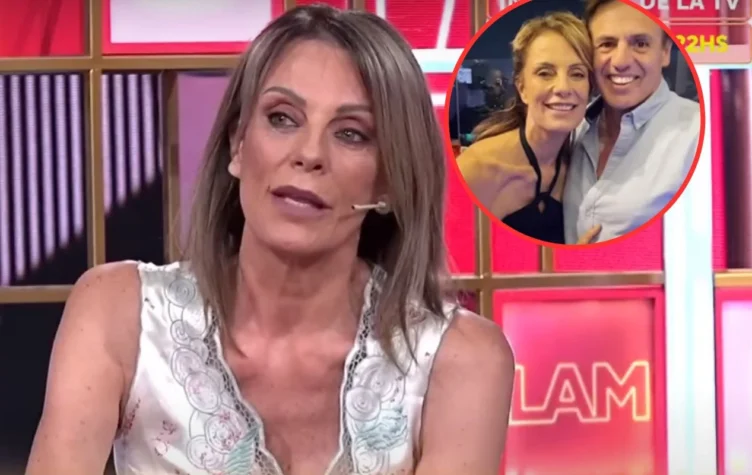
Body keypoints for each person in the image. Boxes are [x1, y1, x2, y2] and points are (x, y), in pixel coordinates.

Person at [25, 5, 515, 475]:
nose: (309, 153)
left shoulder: (460, 358)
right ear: (237, 145)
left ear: (389, 180)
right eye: (282, 118)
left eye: (351, 133)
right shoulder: (120, 314)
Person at [456, 12, 602, 245]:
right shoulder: (476, 170)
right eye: (545, 73)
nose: (563, 88)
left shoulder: (580, 165)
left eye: (577, 74)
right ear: (522, 87)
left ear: (589, 89)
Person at [563, 0, 701, 244]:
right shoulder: (571, 130)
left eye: (640, 44)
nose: (620, 61)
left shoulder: (700, 133)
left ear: (665, 52)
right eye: (607, 44)